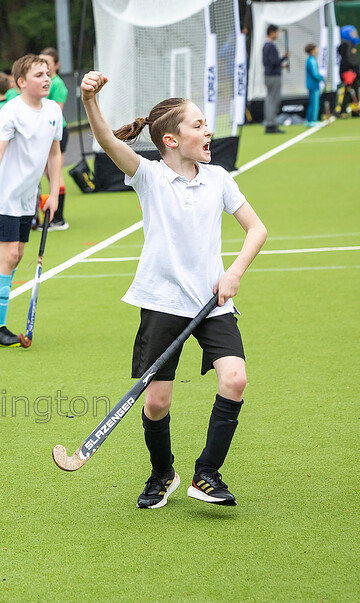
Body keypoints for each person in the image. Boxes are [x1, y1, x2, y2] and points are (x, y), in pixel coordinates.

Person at [81, 70, 267, 508]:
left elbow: (256, 229)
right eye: (198, 125)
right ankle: (162, 473)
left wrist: (234, 272)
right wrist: (89, 100)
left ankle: (207, 474)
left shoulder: (218, 177)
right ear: (170, 139)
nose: (208, 131)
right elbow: (108, 141)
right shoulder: (148, 176)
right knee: (157, 404)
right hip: (162, 304)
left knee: (235, 379)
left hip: (212, 302)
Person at [0, 54, 62, 347]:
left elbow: (54, 153)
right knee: (9, 256)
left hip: (29, 197)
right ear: (21, 82)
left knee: (19, 254)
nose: (46, 78)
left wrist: (54, 192)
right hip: (4, 196)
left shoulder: (53, 110)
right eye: (39, 74)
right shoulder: (10, 111)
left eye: (47, 72)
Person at [40, 48, 70, 230]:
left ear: (56, 65)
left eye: (48, 62)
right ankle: (52, 215)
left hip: (56, 132)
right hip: (44, 134)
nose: (45, 66)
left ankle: (58, 218)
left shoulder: (57, 84)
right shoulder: (46, 82)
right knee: (48, 173)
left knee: (55, 173)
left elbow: (56, 110)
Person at [263, 24, 289, 134]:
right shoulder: (271, 46)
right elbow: (274, 62)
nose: (277, 35)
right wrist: (284, 58)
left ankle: (270, 123)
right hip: (273, 76)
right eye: (276, 32)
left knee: (270, 99)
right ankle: (271, 124)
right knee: (273, 100)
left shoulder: (266, 46)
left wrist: (281, 65)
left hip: (268, 75)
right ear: (272, 33)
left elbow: (268, 63)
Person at [336, 25, 360, 118]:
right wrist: (350, 70)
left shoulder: (352, 45)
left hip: (354, 71)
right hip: (347, 72)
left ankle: (355, 110)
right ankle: (342, 111)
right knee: (346, 91)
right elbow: (346, 60)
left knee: (355, 90)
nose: (355, 35)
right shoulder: (345, 45)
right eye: (352, 33)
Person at [304, 43, 325, 127]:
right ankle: (313, 120)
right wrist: (322, 78)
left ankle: (308, 120)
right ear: (312, 50)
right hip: (314, 85)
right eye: (316, 48)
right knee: (315, 104)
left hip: (311, 84)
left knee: (312, 103)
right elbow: (315, 74)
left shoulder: (309, 59)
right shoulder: (311, 60)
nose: (318, 49)